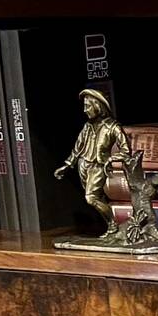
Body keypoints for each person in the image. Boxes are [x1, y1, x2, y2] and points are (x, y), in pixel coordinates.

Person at [54, 89, 129, 226]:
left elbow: (126, 150)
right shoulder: (87, 126)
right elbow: (78, 147)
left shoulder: (113, 127)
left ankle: (114, 225)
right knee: (98, 197)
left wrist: (112, 159)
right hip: (83, 165)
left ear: (97, 106)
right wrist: (67, 165)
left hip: (98, 166)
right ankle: (111, 227)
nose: (84, 110)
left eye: (87, 106)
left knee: (91, 198)